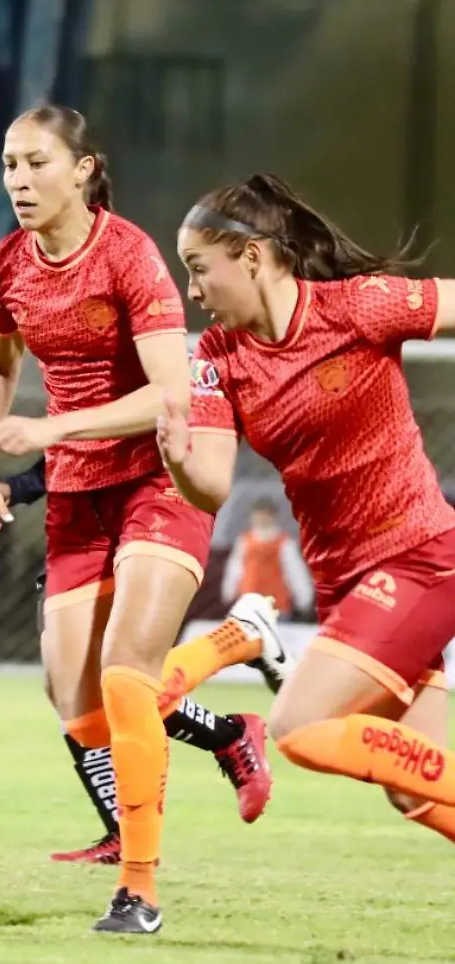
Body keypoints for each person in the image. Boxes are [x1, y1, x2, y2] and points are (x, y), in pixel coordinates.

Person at [0, 106, 283, 935]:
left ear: (83, 169)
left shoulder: (131, 255)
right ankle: (230, 714)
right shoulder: (6, 267)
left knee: (124, 670)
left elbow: (167, 397)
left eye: (36, 163)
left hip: (158, 474)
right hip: (77, 492)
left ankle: (138, 889)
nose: (19, 182)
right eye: (8, 166)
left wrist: (47, 429)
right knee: (73, 694)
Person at [158, 173, 455, 852]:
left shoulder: (359, 307)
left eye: (200, 269)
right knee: (414, 787)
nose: (192, 290)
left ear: (254, 258)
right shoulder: (216, 358)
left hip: (418, 559)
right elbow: (208, 485)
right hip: (343, 585)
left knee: (296, 727)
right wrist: (175, 453)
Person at [0, 456, 276, 867]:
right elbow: (85, 432)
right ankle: (225, 734)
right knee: (72, 694)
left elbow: (125, 422)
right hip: (80, 516)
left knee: (121, 680)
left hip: (146, 510)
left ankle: (237, 639)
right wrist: (15, 486)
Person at [221, 500, 313, 619]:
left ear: (273, 517)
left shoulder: (285, 543)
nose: (261, 520)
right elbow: (235, 567)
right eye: (258, 516)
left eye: (265, 516)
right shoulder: (244, 541)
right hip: (248, 605)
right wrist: (228, 590)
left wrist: (303, 598)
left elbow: (295, 571)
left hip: (276, 605)